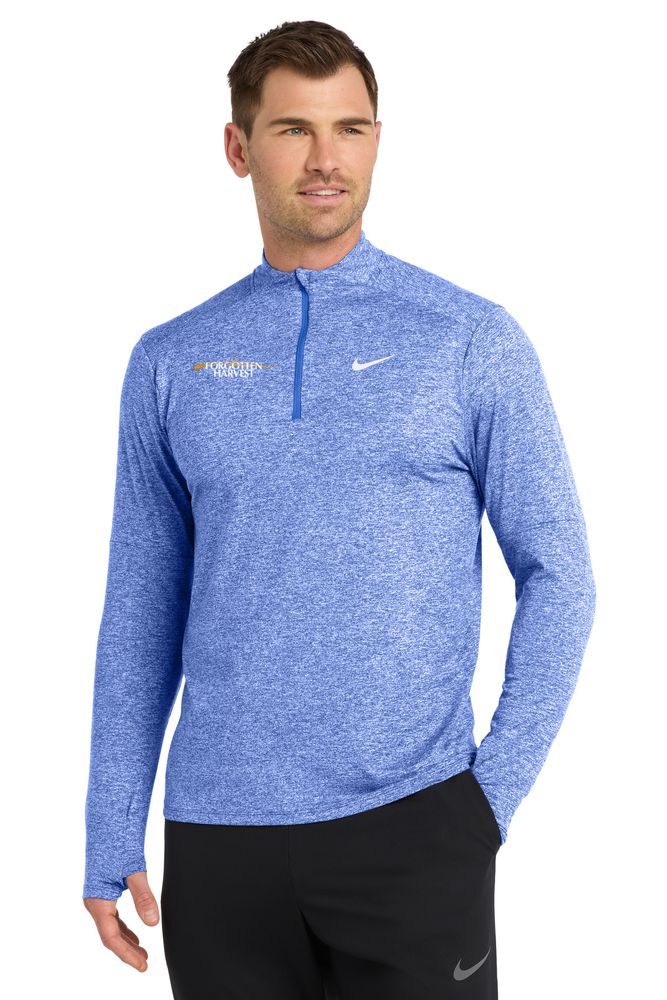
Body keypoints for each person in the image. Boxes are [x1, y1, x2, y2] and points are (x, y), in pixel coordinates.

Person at [83, 19, 596, 1000]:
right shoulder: (169, 361)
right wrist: (111, 829)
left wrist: (485, 801)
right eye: (293, 129)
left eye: (349, 129)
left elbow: (560, 573)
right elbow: (140, 608)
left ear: (376, 141)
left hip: (414, 827)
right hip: (219, 843)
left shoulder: (468, 340)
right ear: (238, 148)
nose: (326, 158)